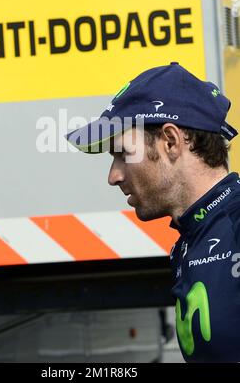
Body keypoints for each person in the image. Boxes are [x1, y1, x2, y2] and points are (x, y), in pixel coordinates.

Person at [66, 62, 240, 363]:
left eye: (123, 153)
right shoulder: (188, 241)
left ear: (170, 141)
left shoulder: (235, 224)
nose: (114, 175)